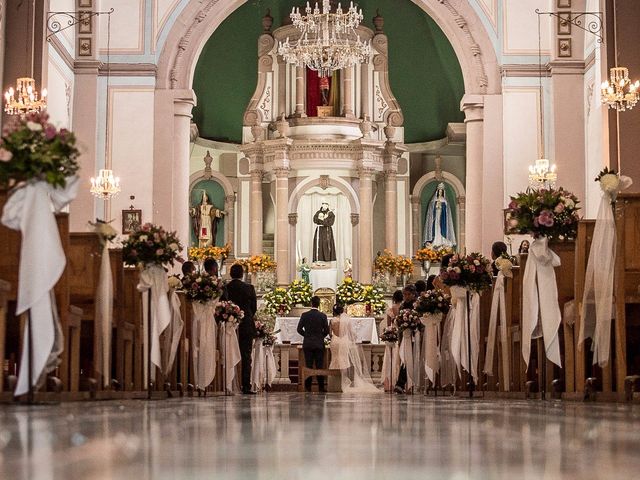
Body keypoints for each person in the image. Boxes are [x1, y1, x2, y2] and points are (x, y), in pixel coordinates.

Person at [329, 304, 380, 393]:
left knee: (335, 360)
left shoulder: (332, 320)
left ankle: (334, 384)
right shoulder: (346, 321)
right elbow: (350, 332)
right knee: (344, 360)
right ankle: (343, 382)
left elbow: (330, 333)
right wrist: (355, 338)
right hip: (344, 341)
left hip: (335, 341)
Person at [224, 263, 257, 394]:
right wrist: (246, 317)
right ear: (242, 274)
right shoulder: (249, 288)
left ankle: (229, 383)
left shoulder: (226, 287)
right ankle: (246, 385)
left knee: (228, 352)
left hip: (229, 325)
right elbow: (253, 308)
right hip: (246, 325)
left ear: (231, 274)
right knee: (246, 355)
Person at [297, 296, 330, 392]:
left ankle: (308, 386)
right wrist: (320, 337)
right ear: (319, 304)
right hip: (319, 344)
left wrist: (306, 335)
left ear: (311, 303)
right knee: (320, 365)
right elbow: (327, 331)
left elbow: (299, 329)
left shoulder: (304, 315)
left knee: (309, 365)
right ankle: (321, 387)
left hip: (308, 343)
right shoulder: (323, 316)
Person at [394, 284, 418, 394]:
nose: (406, 296)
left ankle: (402, 383)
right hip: (405, 336)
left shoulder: (417, 305)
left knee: (412, 358)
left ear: (413, 294)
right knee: (405, 359)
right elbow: (398, 322)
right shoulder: (403, 306)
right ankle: (401, 383)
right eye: (405, 294)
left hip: (415, 335)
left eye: (408, 294)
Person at [423, 183, 456, 248]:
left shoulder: (444, 200)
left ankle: (441, 240)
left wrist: (441, 206)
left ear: (443, 192)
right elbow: (431, 210)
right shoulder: (433, 200)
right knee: (436, 227)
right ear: (437, 192)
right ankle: (435, 241)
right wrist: (436, 206)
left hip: (442, 216)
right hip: (436, 216)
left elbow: (447, 211)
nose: (440, 192)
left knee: (441, 227)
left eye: (441, 191)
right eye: (439, 191)